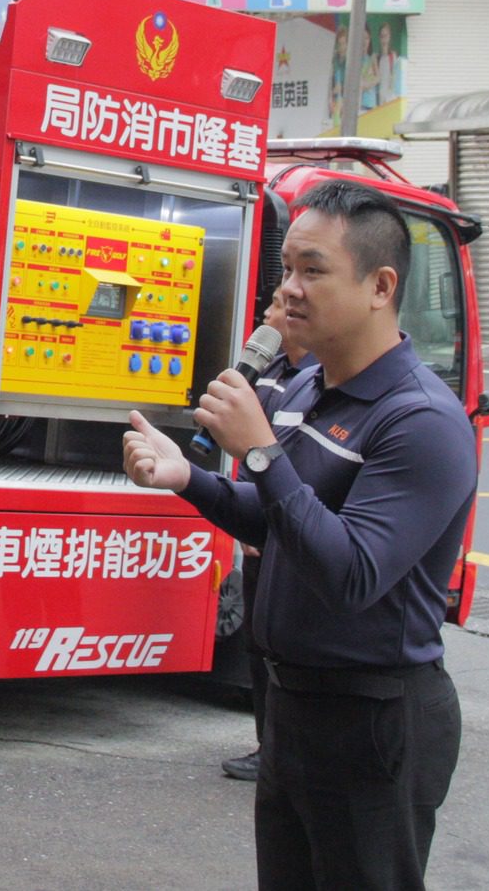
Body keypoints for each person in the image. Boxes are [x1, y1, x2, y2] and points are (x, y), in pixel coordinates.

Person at [123, 181, 477, 891]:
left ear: (380, 286)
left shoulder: (423, 421)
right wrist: (189, 479)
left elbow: (352, 572)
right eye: (286, 269)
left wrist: (259, 451)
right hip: (291, 706)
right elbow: (277, 520)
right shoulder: (309, 388)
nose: (289, 290)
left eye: (313, 270)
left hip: (373, 716)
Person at [224, 293, 309, 784]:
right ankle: (266, 746)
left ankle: (285, 746)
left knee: (283, 648)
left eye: (274, 307)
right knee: (256, 648)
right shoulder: (268, 373)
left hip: (294, 536)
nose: (267, 316)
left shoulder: (317, 379)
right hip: (260, 533)